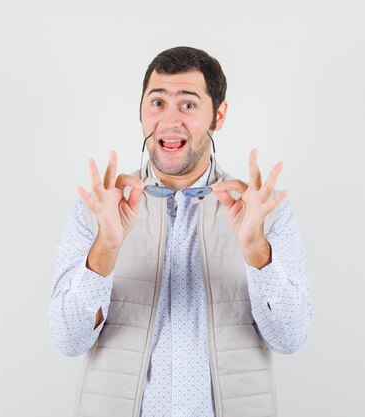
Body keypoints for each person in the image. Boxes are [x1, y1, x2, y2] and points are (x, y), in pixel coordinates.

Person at [49, 46, 312, 417]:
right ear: (141, 110)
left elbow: (290, 338)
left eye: (188, 105)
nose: (170, 121)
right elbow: (68, 340)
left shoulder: (263, 211)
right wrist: (106, 248)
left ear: (218, 115)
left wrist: (257, 252)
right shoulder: (98, 211)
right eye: (157, 103)